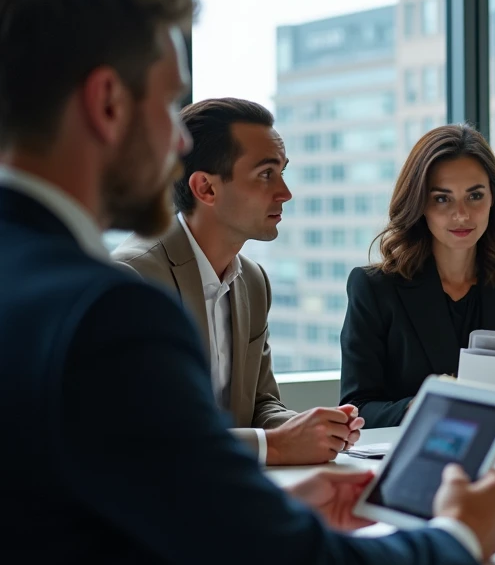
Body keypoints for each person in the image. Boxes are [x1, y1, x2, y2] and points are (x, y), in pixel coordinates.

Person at [0, 0, 495, 565]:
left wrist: (247, 509)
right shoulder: (109, 314)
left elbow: (73, 517)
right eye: (168, 109)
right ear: (108, 103)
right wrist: (459, 536)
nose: (179, 145)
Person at [114, 97, 362, 466]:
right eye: (266, 174)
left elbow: (261, 404)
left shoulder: (253, 281)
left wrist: (313, 430)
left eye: (282, 172)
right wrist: (275, 446)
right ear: (206, 188)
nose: (285, 192)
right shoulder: (133, 280)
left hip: (228, 484)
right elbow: (142, 432)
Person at [340, 124, 495, 428]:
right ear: (419, 203)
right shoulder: (374, 287)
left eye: (475, 196)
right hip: (413, 450)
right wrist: (419, 407)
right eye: (442, 199)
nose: (461, 214)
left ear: (494, 198)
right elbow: (356, 407)